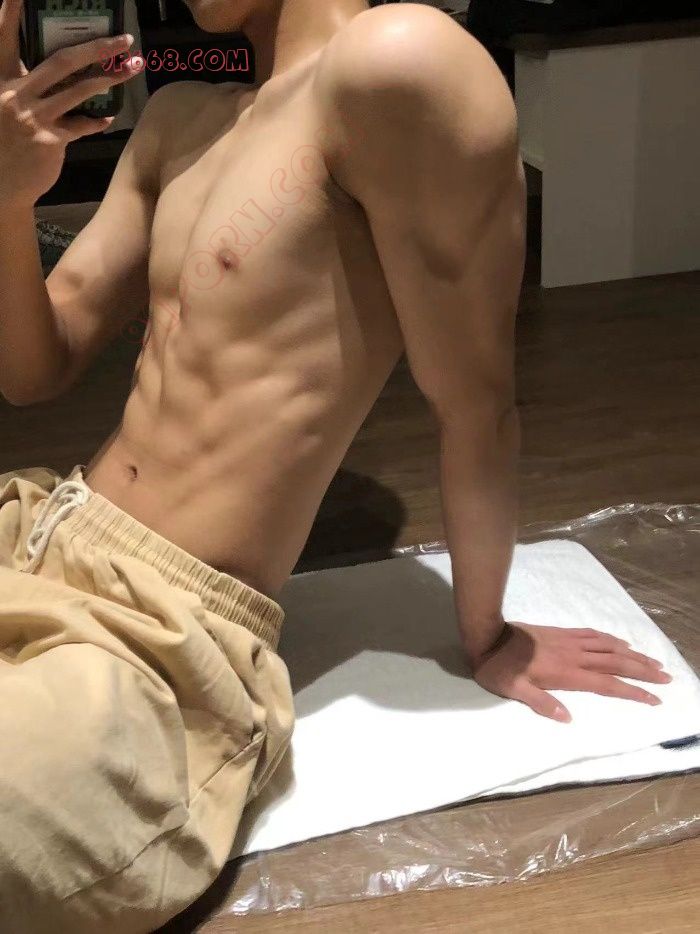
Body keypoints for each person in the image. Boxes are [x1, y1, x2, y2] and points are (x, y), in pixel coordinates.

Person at [0, 0, 670, 930]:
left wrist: (487, 635)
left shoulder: (394, 65)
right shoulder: (181, 119)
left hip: (157, 637)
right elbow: (35, 370)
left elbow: (474, 399)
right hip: (36, 530)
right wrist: (8, 196)